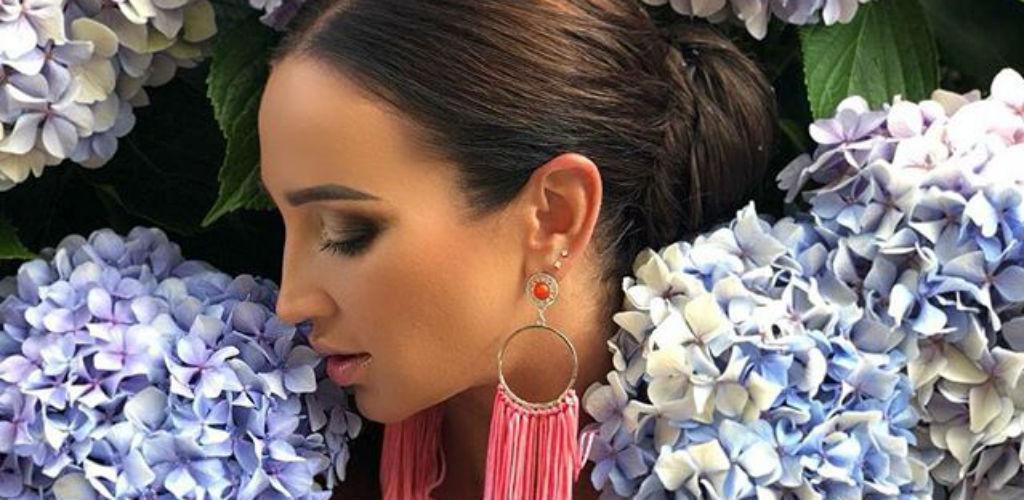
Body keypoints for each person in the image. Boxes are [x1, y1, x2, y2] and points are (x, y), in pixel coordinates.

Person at [257, 0, 776, 497]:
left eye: (346, 231)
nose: (290, 303)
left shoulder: (753, 465)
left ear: (555, 217)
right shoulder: (293, 459)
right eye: (282, 224)